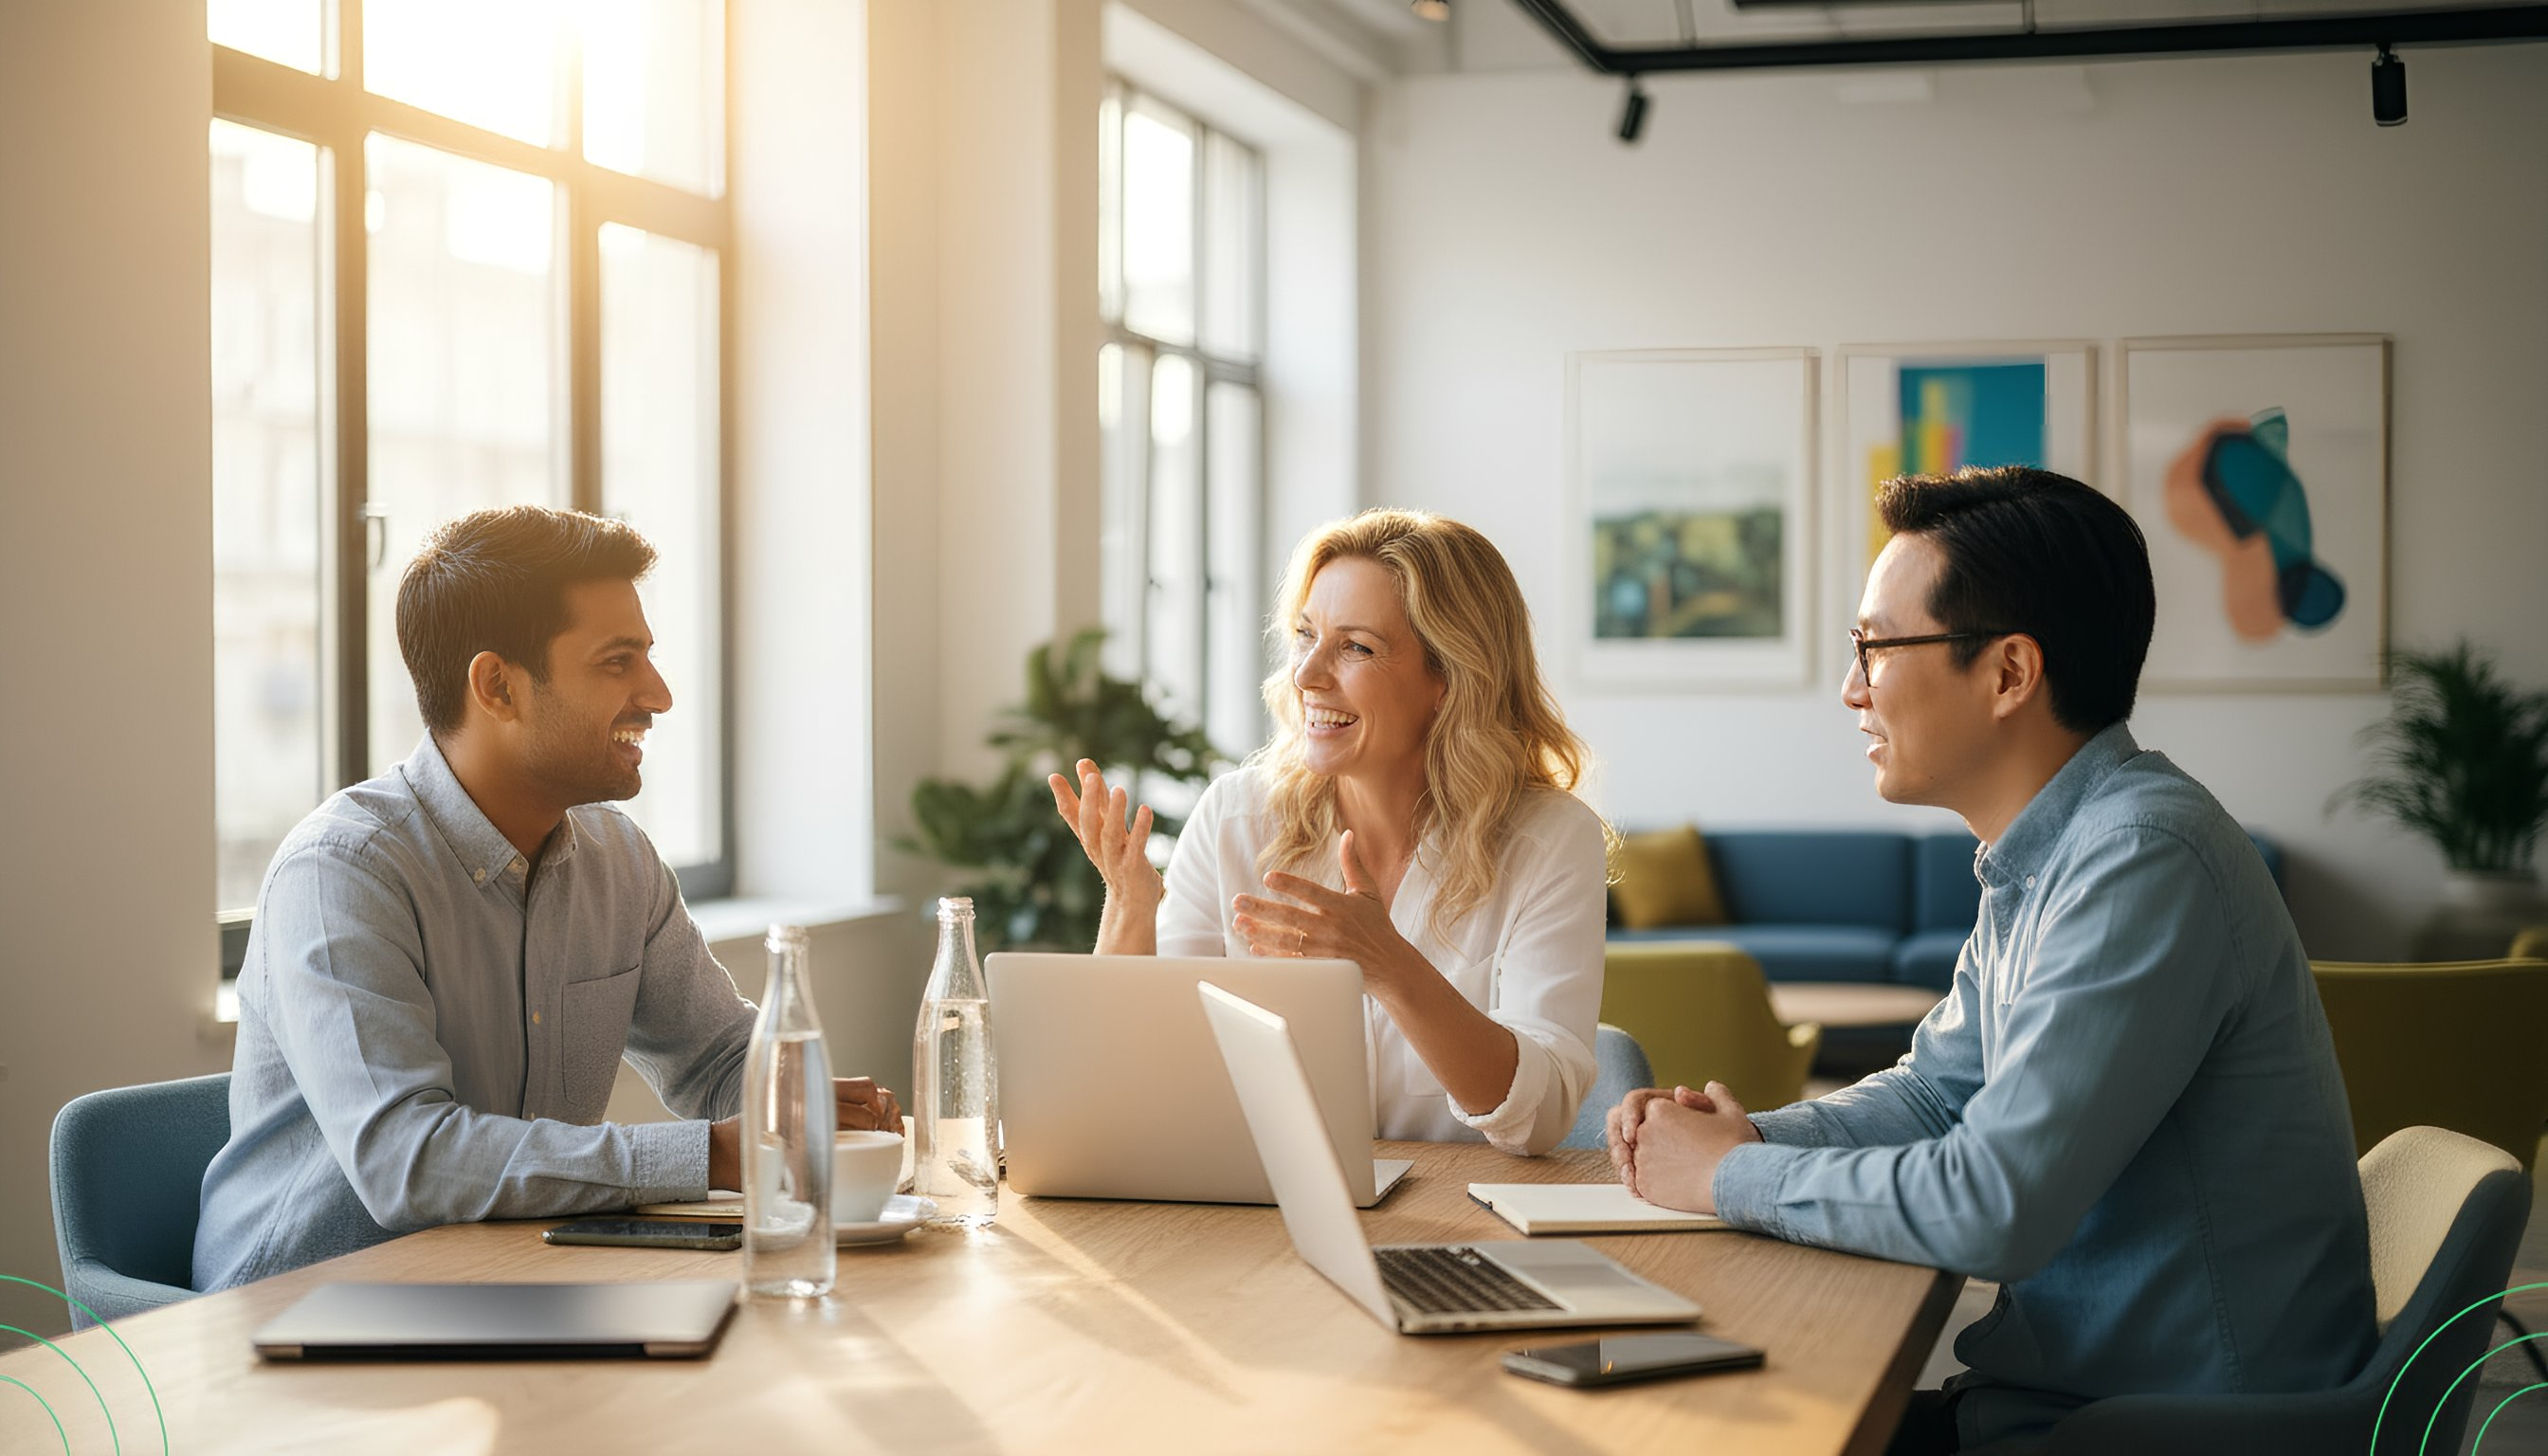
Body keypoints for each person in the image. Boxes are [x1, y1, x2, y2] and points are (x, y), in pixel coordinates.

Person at [1607, 467, 2375, 1452]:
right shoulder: (2054, 852)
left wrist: (1730, 1177)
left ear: (2009, 673)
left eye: (1874, 648)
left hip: (2163, 1428)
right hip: (2075, 1405)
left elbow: (1993, 1206)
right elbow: (1938, 1095)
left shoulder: (2143, 858)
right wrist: (1744, 1136)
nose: (1851, 688)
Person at [195, 506, 901, 1293]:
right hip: (304, 1309)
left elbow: (716, 1058)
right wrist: (714, 1156)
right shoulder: (341, 874)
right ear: (498, 686)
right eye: (617, 662)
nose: (659, 695)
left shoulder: (617, 861)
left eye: (648, 657)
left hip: (511, 1283)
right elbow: (409, 1162)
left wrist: (795, 1105)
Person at [1051, 508, 1608, 1155]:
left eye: (1356, 647)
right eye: (1305, 635)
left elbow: (1538, 1120)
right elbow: (1137, 1085)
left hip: (1465, 1205)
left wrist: (1391, 966)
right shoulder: (1234, 819)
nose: (1307, 675)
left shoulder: (1549, 841)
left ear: (1450, 678)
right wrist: (1130, 907)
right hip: (1267, 1203)